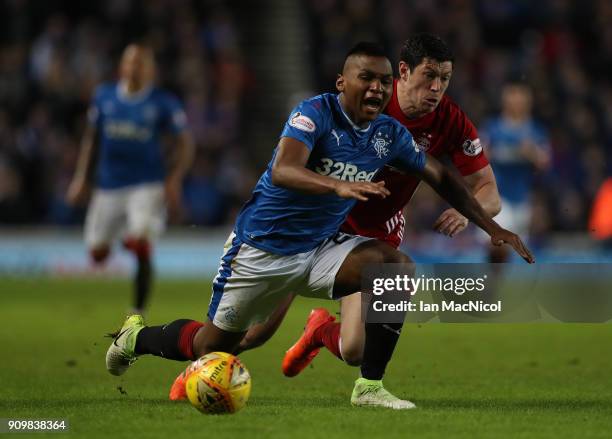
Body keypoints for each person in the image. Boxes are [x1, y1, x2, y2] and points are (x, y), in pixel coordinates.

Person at [106, 42, 533, 410]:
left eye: (382, 82)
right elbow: (284, 171)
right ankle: (136, 338)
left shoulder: (388, 134)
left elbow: (440, 178)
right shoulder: (313, 114)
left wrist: (490, 226)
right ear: (341, 83)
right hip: (264, 248)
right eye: (366, 78)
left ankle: (369, 387)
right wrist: (337, 186)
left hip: (326, 249)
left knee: (395, 269)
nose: (376, 88)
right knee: (221, 345)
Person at [239, 33, 502, 376]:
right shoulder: (367, 98)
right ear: (404, 72)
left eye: (445, 79)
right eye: (429, 77)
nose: (437, 88)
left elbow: (489, 192)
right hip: (317, 222)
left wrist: (467, 214)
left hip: (375, 232)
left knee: (355, 350)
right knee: (253, 335)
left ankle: (319, 331)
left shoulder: (450, 120)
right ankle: (198, 364)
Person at [66, 44, 194, 315]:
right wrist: (81, 178)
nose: (135, 68)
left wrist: (174, 179)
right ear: (122, 66)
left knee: (142, 242)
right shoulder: (104, 96)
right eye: (131, 62)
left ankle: (138, 309)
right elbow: (92, 140)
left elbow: (185, 142)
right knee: (97, 254)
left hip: (146, 184)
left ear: (151, 70)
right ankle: (127, 236)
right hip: (108, 185)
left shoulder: (162, 102)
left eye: (141, 63)